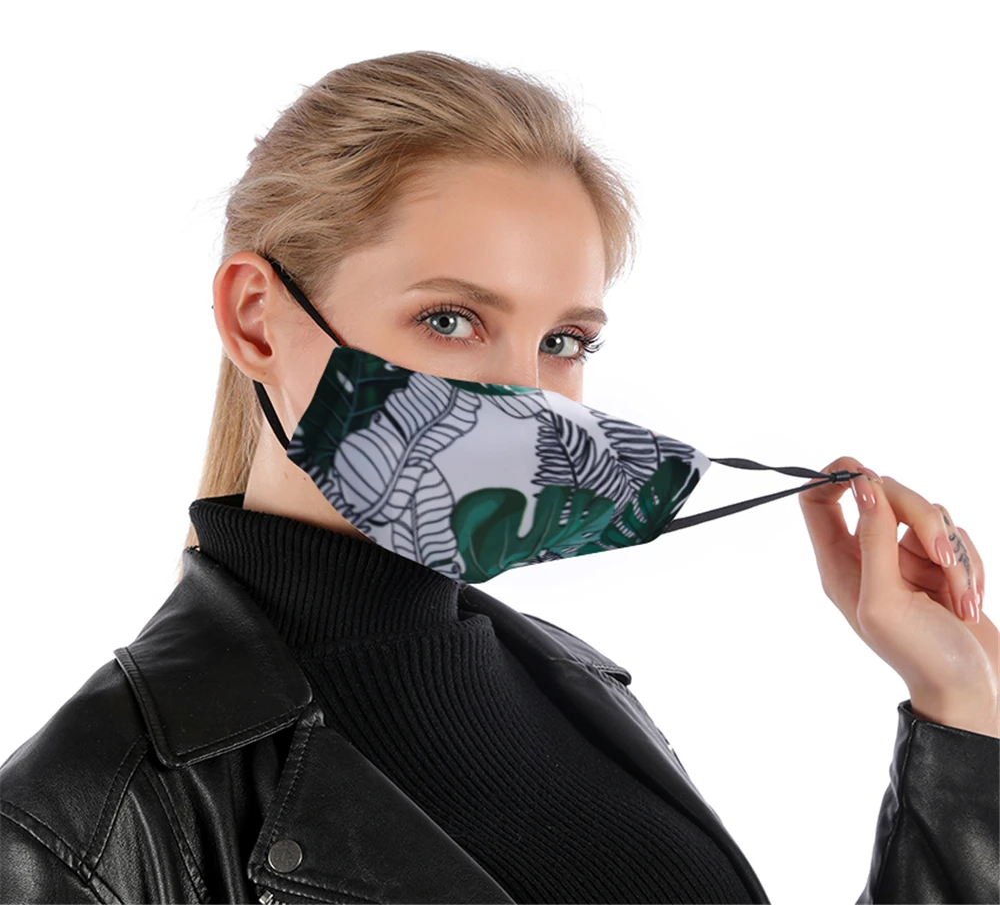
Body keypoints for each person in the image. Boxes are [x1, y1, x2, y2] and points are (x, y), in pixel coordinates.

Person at [1, 51, 996, 905]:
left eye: (563, 341)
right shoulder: (84, 817)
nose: (526, 403)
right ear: (258, 319)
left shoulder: (571, 689)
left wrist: (958, 712)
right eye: (451, 320)